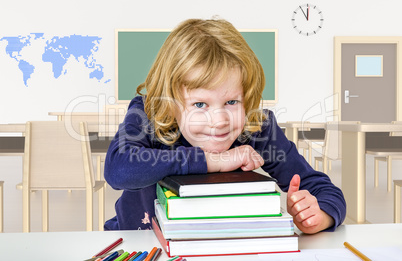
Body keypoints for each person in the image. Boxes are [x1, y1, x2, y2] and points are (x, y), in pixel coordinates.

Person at [104, 18, 346, 234]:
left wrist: (319, 215)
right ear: (170, 103)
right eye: (200, 104)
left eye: (232, 102)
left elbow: (323, 189)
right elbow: (118, 170)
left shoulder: (256, 126)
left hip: (217, 244)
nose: (219, 121)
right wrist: (214, 160)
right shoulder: (148, 114)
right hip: (138, 245)